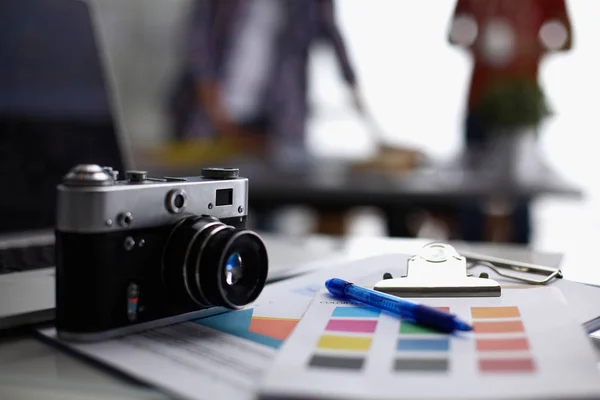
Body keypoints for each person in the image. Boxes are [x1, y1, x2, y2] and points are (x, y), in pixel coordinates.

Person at [168, 0, 361, 169]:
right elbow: (197, 43)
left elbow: (335, 41)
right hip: (209, 124)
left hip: (275, 128)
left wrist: (364, 115)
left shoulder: (308, 6)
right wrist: (213, 106)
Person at [448, 0, 573, 243]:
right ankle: (468, 268)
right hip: (479, 102)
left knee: (521, 197)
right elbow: (453, 34)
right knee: (471, 196)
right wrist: (477, 43)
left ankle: (524, 271)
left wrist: (528, 46)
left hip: (521, 104)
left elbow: (567, 40)